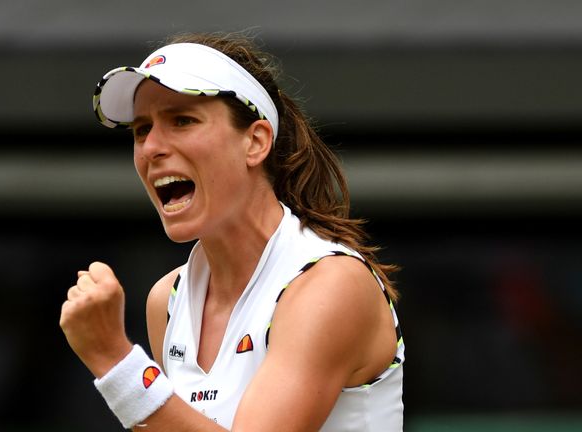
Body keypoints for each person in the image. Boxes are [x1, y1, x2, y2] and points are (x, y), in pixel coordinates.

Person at [60, 32, 404, 431]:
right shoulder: (166, 301)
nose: (151, 147)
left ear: (256, 142)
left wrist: (114, 358)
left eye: (182, 120)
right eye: (141, 129)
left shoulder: (331, 284)